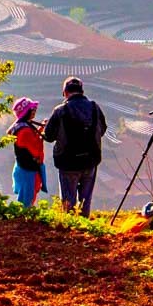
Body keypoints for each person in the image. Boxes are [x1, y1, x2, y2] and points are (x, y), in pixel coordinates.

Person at [44, 77, 106, 216]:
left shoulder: (60, 110)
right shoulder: (94, 107)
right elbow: (102, 129)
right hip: (90, 160)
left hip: (68, 163)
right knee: (86, 200)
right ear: (82, 91)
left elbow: (48, 136)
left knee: (68, 201)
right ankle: (84, 228)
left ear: (65, 92)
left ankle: (70, 229)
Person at [8, 97, 47, 207]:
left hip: (23, 167)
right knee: (26, 200)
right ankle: (24, 220)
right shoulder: (25, 131)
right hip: (28, 170)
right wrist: (43, 135)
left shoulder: (21, 126)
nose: (35, 111)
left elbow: (30, 141)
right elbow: (35, 149)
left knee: (26, 197)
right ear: (26, 112)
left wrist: (40, 130)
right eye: (32, 109)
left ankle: (24, 217)